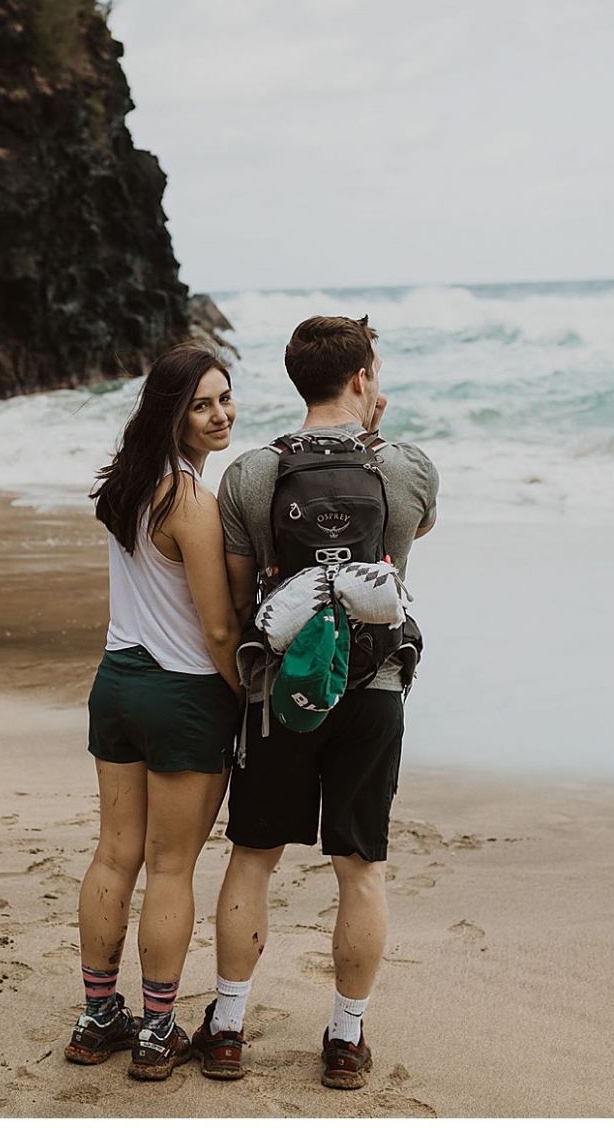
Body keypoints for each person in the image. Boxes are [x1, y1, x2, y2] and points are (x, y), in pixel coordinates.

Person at [196, 314, 437, 1089]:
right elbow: (404, 554)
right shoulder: (406, 467)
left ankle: (228, 1028)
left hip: (279, 692)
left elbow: (240, 598)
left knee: (254, 857)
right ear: (364, 378)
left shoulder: (250, 474)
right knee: (360, 867)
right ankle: (343, 1039)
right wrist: (377, 435)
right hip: (375, 686)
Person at [66, 343, 245, 1081]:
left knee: (114, 853)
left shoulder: (127, 485)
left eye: (225, 398)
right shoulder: (191, 501)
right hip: (180, 695)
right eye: (201, 404)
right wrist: (249, 697)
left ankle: (100, 1015)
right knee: (170, 867)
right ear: (171, 414)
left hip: (118, 685)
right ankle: (157, 1029)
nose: (220, 414)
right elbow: (218, 629)